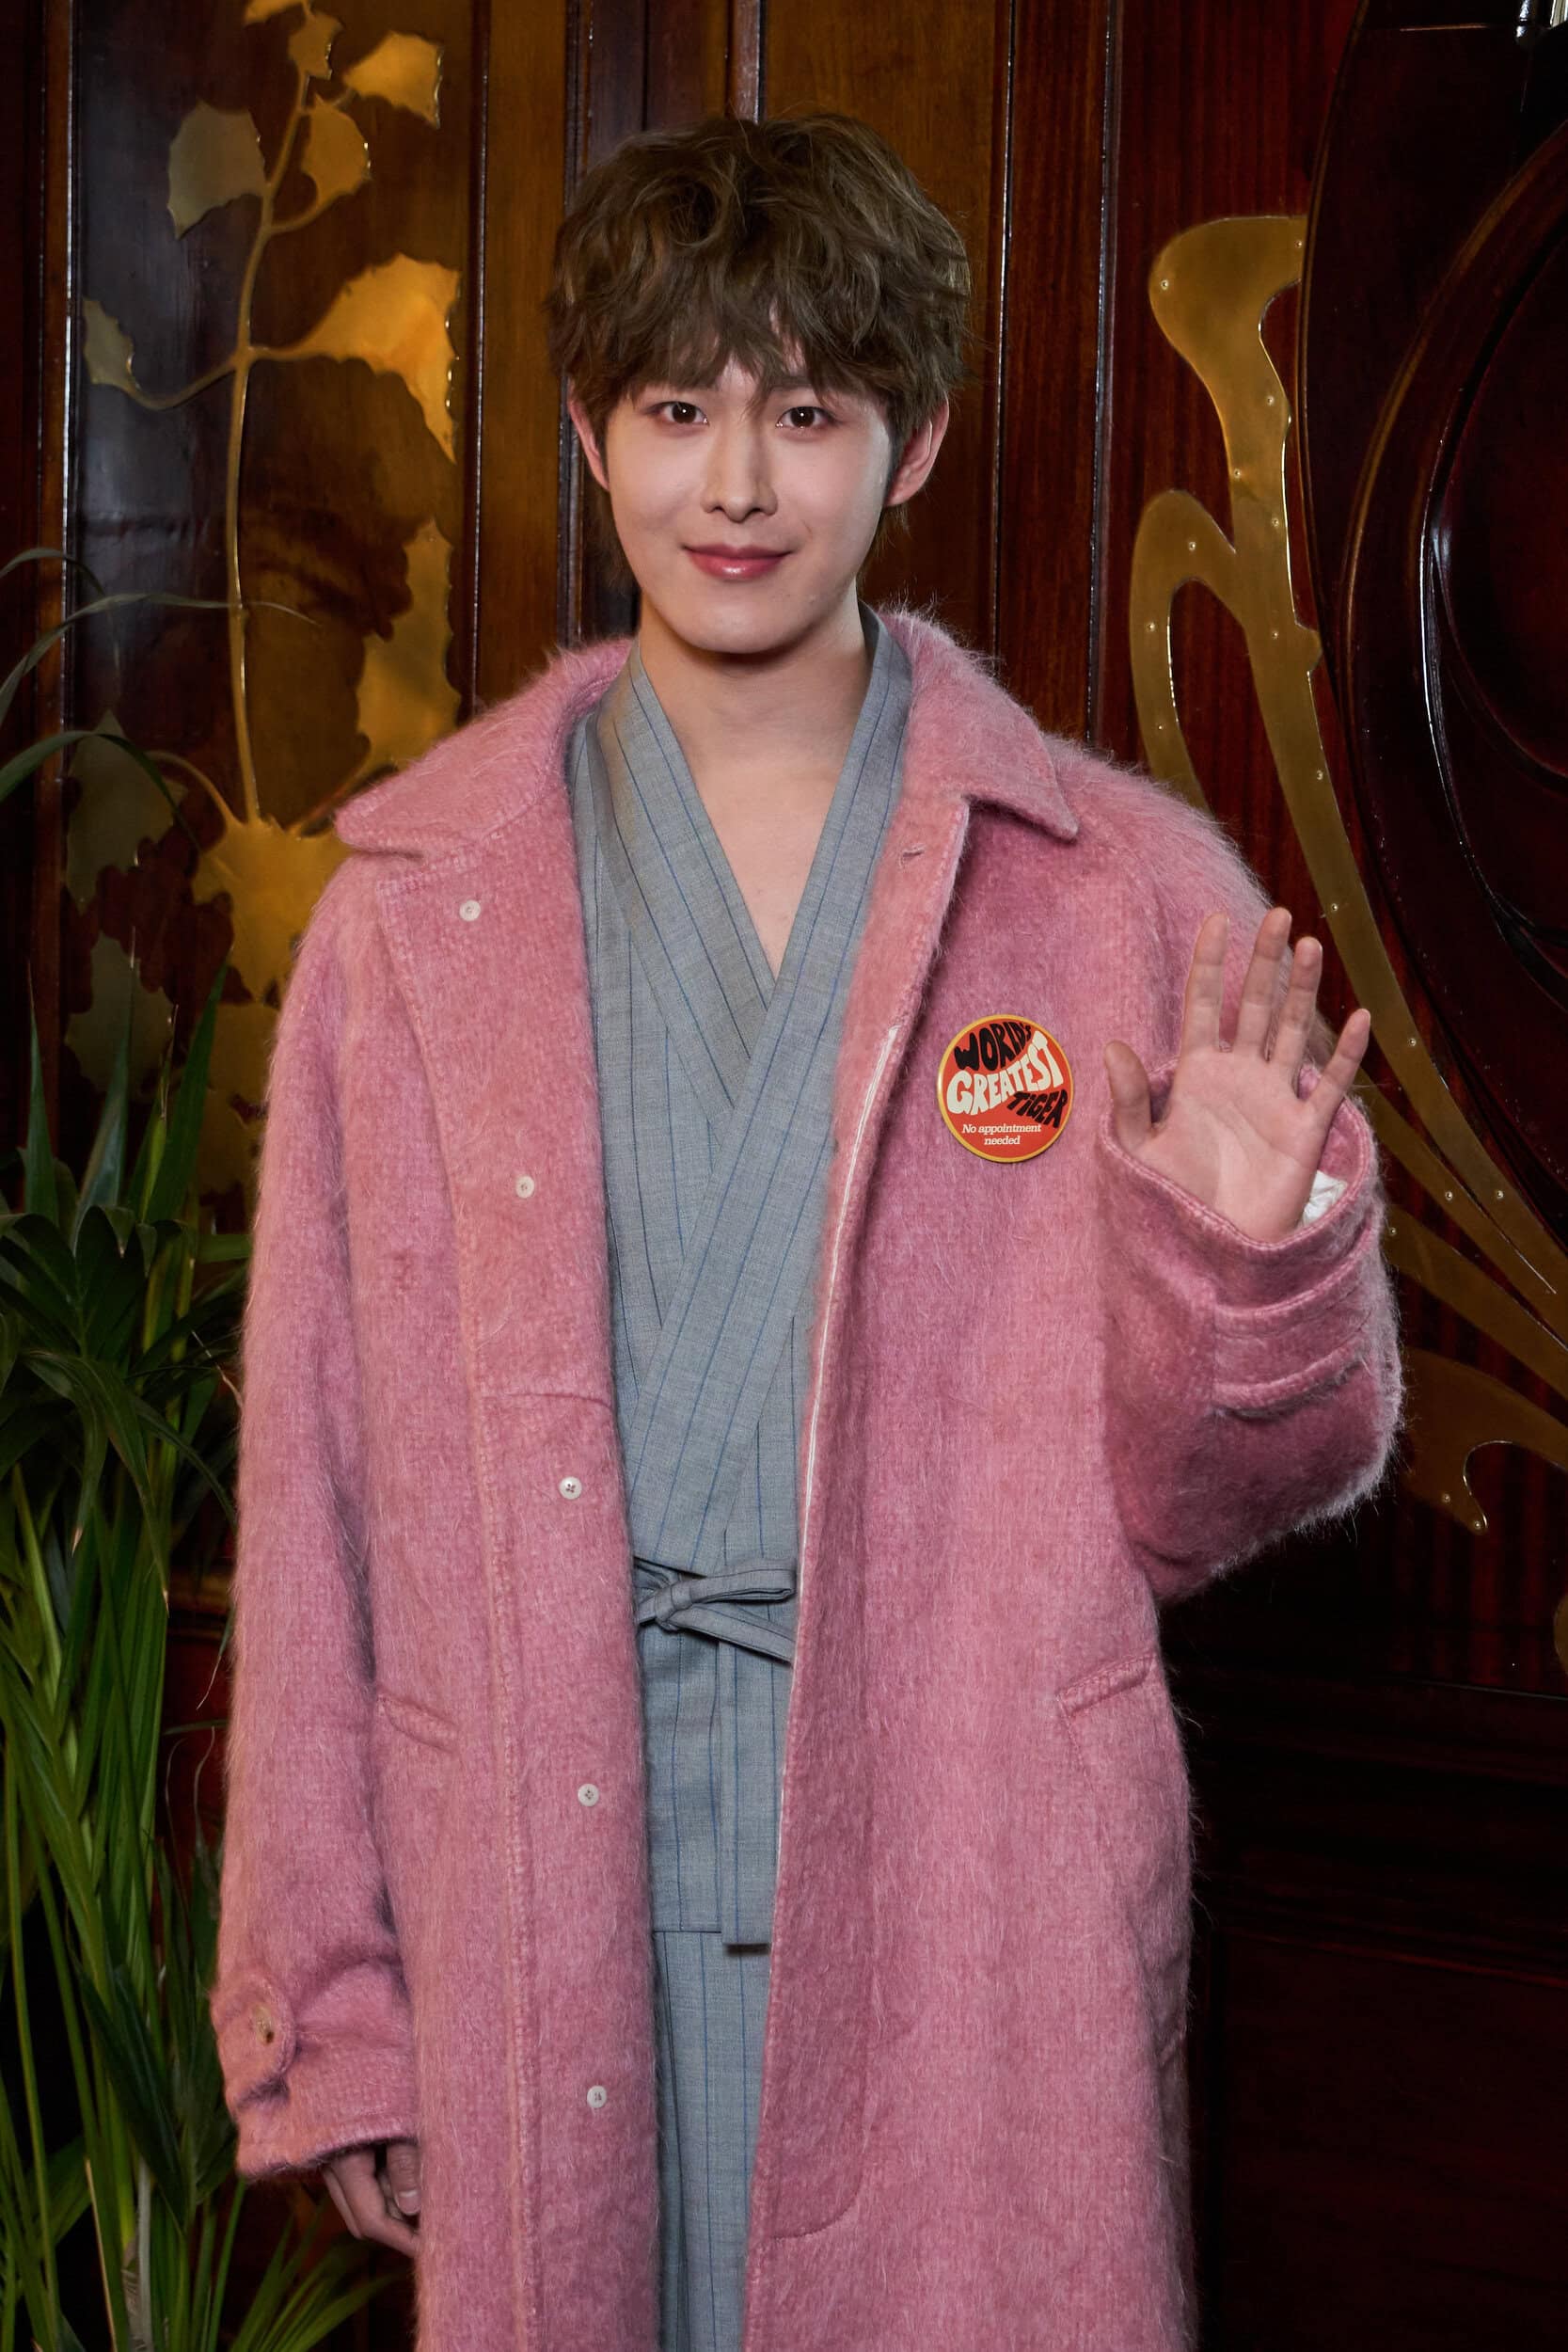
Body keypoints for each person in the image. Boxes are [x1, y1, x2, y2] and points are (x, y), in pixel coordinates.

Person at [210, 111, 1402, 2352]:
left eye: (809, 412)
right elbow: (318, 1490)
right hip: (548, 1877)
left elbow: (1224, 1498)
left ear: (915, 439)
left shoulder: (1118, 893)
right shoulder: (412, 920)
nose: (738, 485)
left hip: (965, 1883)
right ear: (590, 433)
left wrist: (1241, 1270)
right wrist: (335, 1998)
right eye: (679, 410)